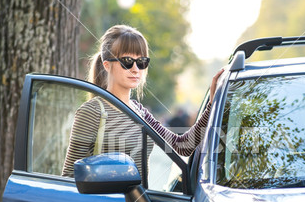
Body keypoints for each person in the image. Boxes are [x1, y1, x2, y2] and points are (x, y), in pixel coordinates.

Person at [62, 24, 223, 177]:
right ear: (107, 65)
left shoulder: (140, 112)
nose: (135, 69)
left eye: (141, 62)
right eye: (127, 61)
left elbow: (182, 146)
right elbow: (69, 175)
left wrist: (212, 104)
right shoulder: (92, 111)